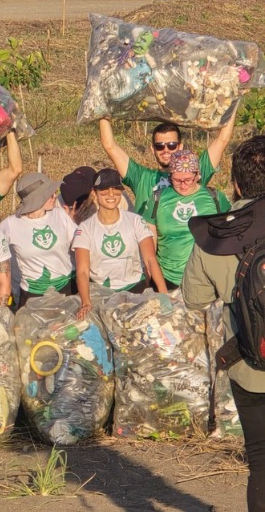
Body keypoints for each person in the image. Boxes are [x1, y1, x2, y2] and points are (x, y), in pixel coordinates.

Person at [182, 136, 265, 512]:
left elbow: (194, 299)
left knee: (261, 463)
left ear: (234, 184)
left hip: (249, 363)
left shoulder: (214, 237)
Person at [99, 108, 237, 218]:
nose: (166, 150)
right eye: (160, 146)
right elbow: (110, 146)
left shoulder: (194, 171)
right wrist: (102, 109)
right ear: (152, 149)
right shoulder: (141, 177)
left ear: (180, 147)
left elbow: (222, 140)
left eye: (171, 145)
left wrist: (234, 98)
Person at [71, 168, 167, 319]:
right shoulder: (85, 228)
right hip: (102, 294)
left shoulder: (135, 221)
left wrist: (163, 295)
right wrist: (86, 302)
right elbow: (82, 271)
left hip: (135, 289)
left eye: (116, 190)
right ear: (94, 193)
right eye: (104, 191)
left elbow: (150, 260)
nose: (111, 195)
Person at [146, 149, 230, 290]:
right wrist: (159, 290)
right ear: (170, 176)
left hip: (205, 280)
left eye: (188, 180)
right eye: (177, 180)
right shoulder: (157, 199)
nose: (183, 185)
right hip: (167, 279)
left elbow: (228, 235)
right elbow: (149, 249)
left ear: (197, 175)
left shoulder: (215, 197)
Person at [0, 172, 77, 307]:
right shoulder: (11, 225)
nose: (54, 196)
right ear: (37, 198)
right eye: (49, 194)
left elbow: (80, 244)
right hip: (33, 295)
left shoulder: (60, 215)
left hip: (66, 288)